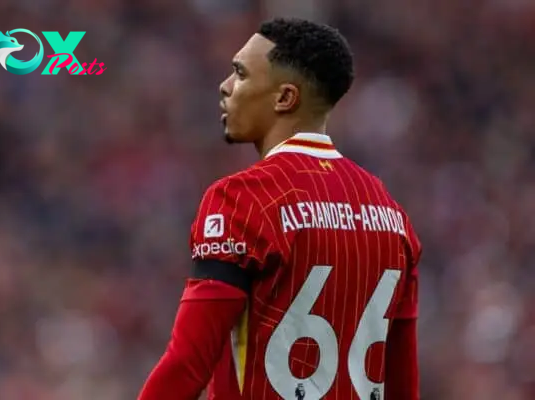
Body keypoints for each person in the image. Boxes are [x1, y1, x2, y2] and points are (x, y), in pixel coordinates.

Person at [137, 17, 421, 400]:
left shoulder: (241, 199)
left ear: (285, 98)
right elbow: (401, 384)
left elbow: (188, 363)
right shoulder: (393, 217)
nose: (225, 87)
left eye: (240, 74)